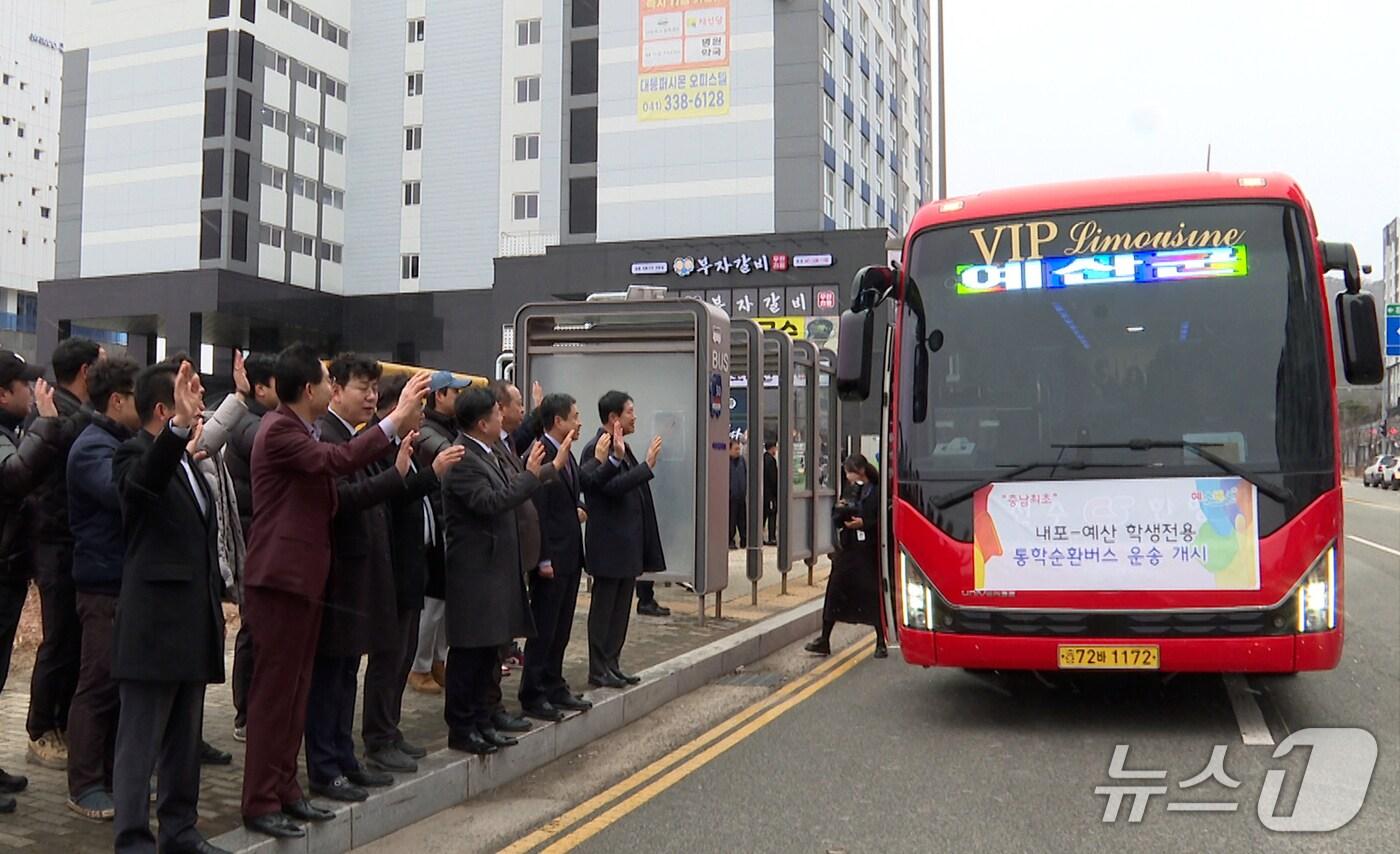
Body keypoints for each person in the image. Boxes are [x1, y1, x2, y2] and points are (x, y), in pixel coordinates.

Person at [239, 344, 428, 840]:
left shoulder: (299, 429)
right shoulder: (280, 430)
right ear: (310, 390)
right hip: (279, 581)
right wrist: (393, 423)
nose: (334, 387)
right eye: (328, 380)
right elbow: (341, 460)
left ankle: (286, 791)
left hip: (303, 581)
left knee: (296, 692)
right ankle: (260, 800)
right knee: (274, 697)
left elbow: (337, 482)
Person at [109, 359, 229, 854]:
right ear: (164, 407)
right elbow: (141, 487)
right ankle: (133, 839)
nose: (199, 400)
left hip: (192, 623)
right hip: (153, 627)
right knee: (140, 743)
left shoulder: (190, 464)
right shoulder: (133, 454)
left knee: (184, 742)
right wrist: (179, 430)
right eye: (190, 392)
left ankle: (179, 830)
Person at [304, 355, 417, 803]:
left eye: (374, 389)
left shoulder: (355, 436)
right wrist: (394, 477)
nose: (371, 397)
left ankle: (344, 758)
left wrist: (399, 475)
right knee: (329, 678)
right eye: (362, 388)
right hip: (337, 579)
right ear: (335, 390)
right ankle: (324, 767)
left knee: (347, 673)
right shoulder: (327, 437)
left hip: (362, 575)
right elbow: (342, 499)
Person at [441, 388, 561, 755]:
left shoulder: (488, 453)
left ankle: (481, 719)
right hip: (474, 572)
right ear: (481, 422)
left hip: (494, 569)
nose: (501, 418)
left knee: (489, 651)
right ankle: (463, 726)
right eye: (496, 412)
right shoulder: (462, 458)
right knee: (470, 652)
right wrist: (532, 476)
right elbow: (491, 502)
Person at [361, 374, 463, 774]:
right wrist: (431, 472)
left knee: (402, 656)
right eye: (416, 408)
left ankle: (390, 728)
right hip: (392, 568)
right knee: (388, 658)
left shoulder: (408, 445)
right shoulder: (374, 447)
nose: (421, 417)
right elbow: (390, 493)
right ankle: (377, 735)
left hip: (413, 565)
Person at [63, 356, 140, 821]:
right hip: (101, 584)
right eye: (139, 397)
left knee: (119, 684)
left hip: (122, 581)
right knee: (97, 684)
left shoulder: (119, 442)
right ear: (117, 401)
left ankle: (113, 775)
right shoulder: (93, 448)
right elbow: (123, 494)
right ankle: (85, 783)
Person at [27, 337, 105, 771]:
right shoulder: (58, 413)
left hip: (68, 541)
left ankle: (58, 722)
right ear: (86, 372)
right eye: (103, 366)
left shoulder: (67, 411)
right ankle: (40, 728)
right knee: (58, 639)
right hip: (55, 542)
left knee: (71, 639)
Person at [0, 349, 61, 814]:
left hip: (11, 569)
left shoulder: (14, 430)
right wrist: (46, 423)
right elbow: (15, 474)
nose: (33, 393)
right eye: (26, 387)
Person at [211, 351, 277, 743]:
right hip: (252, 538)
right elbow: (263, 446)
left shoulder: (261, 418)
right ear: (260, 387)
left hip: (259, 536)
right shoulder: (245, 423)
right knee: (253, 630)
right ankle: (245, 713)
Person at [579, 391, 665, 689]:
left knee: (620, 609)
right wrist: (646, 467)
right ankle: (598, 667)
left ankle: (612, 663)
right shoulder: (596, 448)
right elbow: (609, 488)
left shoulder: (622, 446)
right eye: (630, 411)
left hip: (626, 544)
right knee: (604, 610)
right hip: (608, 545)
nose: (635, 416)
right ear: (614, 417)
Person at [519, 393, 592, 721]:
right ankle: (533, 691)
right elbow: (539, 510)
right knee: (545, 628)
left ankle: (554, 682)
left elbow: (569, 495)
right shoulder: (541, 452)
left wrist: (579, 508)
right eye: (574, 416)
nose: (578, 422)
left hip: (570, 554)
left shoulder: (567, 453)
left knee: (562, 627)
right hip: (551, 559)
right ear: (558, 421)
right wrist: (544, 558)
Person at [487, 380, 546, 730]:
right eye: (516, 404)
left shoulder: (506, 444)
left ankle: (491, 709)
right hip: (490, 562)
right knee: (487, 646)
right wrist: (531, 476)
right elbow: (500, 498)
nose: (520, 411)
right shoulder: (476, 453)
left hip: (512, 555)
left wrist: (541, 472)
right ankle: (483, 712)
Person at [408, 370, 469, 695]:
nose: (458, 399)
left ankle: (437, 660)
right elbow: (453, 462)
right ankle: (419, 666)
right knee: (432, 604)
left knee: (444, 602)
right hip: (436, 527)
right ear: (438, 396)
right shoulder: (430, 433)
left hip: (445, 524)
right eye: (454, 393)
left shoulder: (446, 428)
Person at [805, 454, 887, 659]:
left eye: (849, 471)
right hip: (848, 549)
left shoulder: (877, 491)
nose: (848, 476)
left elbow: (882, 518)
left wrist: (864, 523)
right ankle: (824, 639)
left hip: (868, 550)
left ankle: (880, 641)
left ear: (859, 470)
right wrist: (841, 513)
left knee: (871, 595)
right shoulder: (851, 489)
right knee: (834, 592)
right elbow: (838, 513)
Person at [728, 438, 748, 550]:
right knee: (731, 520)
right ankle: (730, 540)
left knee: (742, 520)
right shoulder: (726, 462)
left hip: (741, 497)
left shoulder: (742, 461)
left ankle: (744, 539)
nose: (738, 451)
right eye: (735, 449)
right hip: (731, 497)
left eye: (739, 449)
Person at [763, 441, 778, 545]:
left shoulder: (763, 458)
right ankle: (771, 537)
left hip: (763, 493)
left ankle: (759, 536)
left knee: (763, 516)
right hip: (770, 494)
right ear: (772, 448)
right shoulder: (771, 460)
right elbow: (773, 479)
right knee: (772, 515)